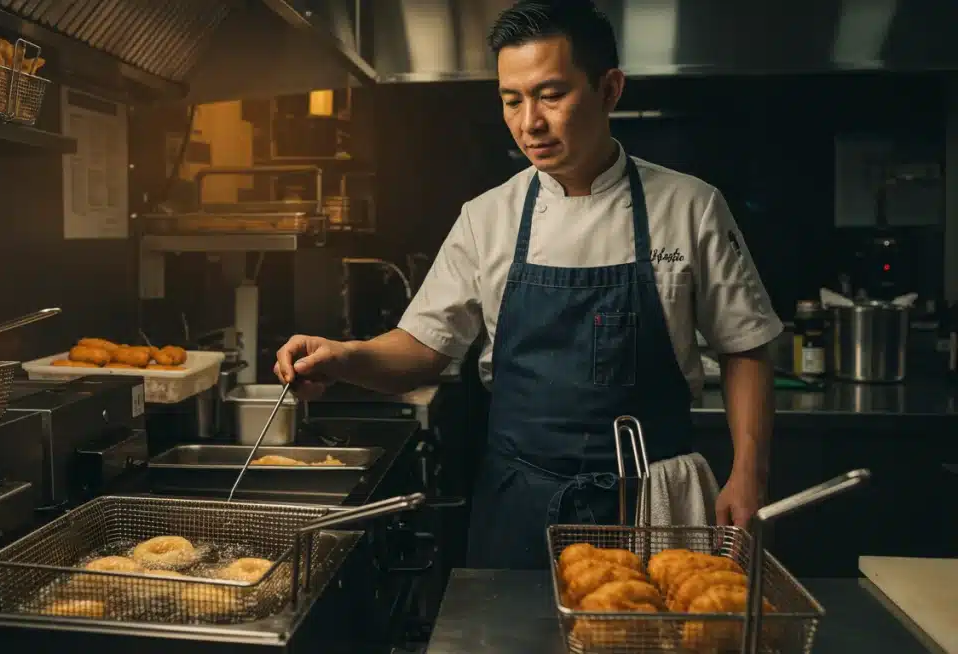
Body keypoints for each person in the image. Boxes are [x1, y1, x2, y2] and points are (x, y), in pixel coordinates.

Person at [274, 0, 779, 569]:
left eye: (551, 95)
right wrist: (344, 357)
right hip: (519, 505)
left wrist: (748, 473)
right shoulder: (487, 218)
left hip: (649, 506)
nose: (529, 123)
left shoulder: (690, 207)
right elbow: (421, 350)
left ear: (609, 89)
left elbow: (744, 345)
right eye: (512, 100)